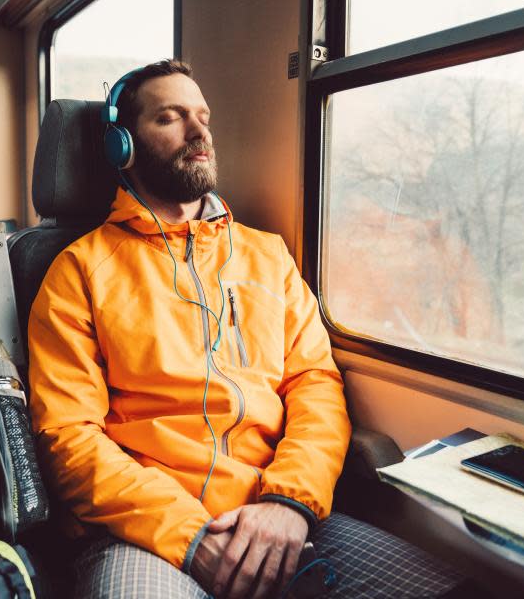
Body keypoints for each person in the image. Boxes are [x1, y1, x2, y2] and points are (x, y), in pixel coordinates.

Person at [28, 59, 472, 598]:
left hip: (279, 514)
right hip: (143, 532)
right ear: (123, 144)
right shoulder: (80, 270)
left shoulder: (268, 255)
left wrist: (289, 503)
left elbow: (315, 385)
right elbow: (67, 435)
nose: (198, 133)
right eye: (170, 118)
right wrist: (191, 536)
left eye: (202, 117)